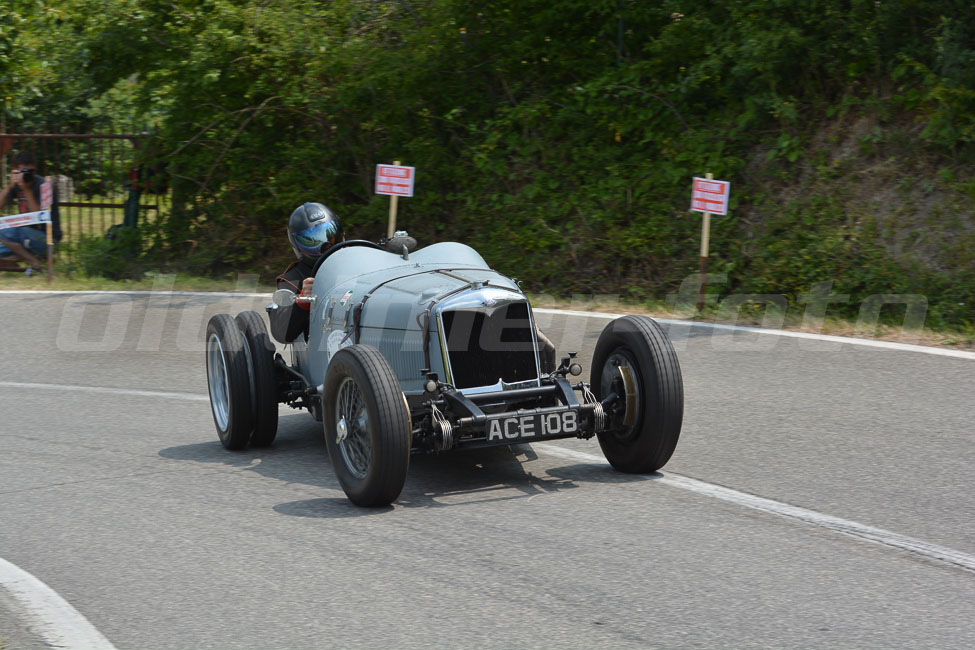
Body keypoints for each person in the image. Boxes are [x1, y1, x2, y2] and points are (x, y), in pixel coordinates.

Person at [269, 202, 343, 344]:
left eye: (330, 236)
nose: (327, 246)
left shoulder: (355, 259)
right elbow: (282, 334)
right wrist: (302, 301)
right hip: (321, 346)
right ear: (297, 246)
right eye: (314, 241)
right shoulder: (292, 279)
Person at [0, 151, 62, 270]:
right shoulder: (16, 184)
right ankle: (30, 257)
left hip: (46, 238)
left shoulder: (44, 185)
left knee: (3, 229)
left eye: (31, 171)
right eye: (24, 171)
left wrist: (26, 190)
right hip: (24, 236)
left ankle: (34, 261)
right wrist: (9, 186)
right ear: (15, 171)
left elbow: (38, 218)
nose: (29, 175)